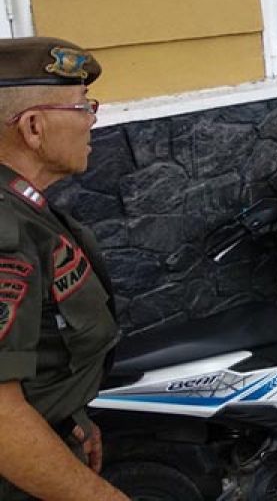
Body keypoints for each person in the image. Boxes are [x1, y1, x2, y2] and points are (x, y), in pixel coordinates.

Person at [0, 38, 127, 501]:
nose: (93, 119)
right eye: (81, 107)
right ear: (34, 127)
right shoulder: (5, 232)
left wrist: (66, 417)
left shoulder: (23, 206)